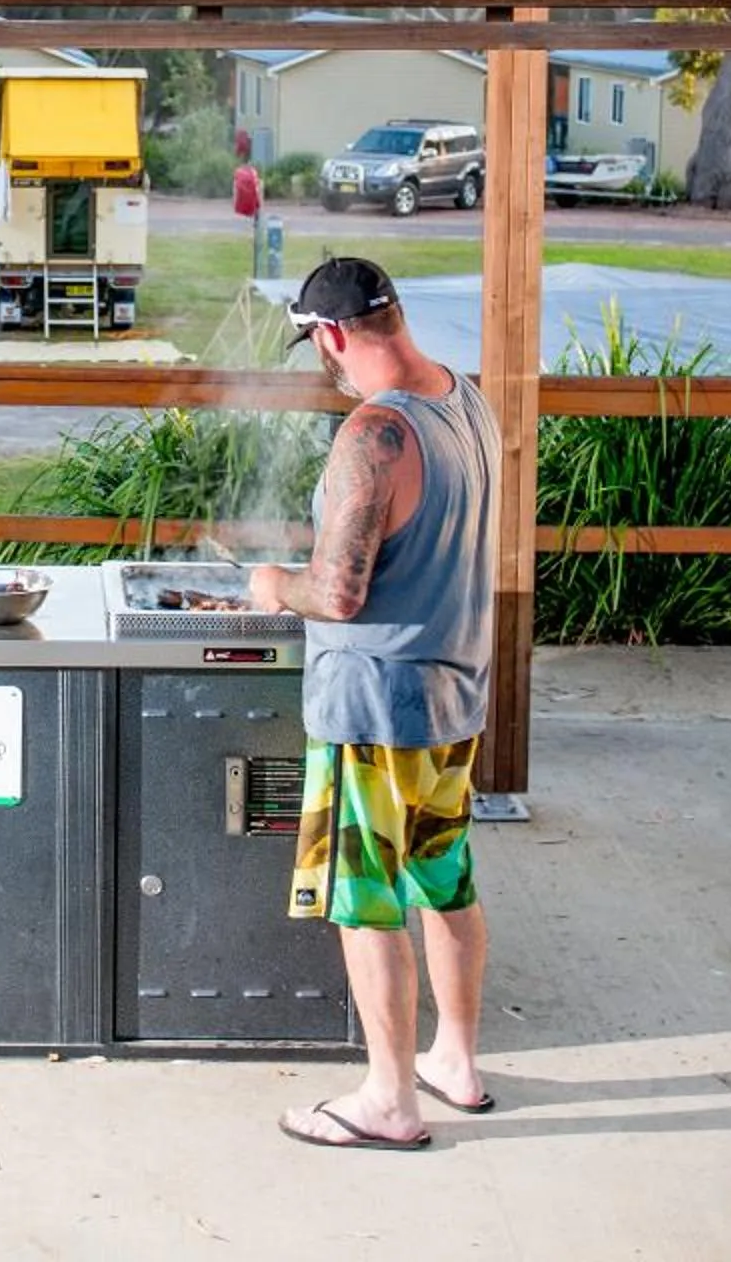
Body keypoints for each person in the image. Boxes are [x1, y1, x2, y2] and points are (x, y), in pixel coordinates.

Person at [247, 255, 501, 1152]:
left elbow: (341, 592)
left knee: (366, 899)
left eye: (319, 345)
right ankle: (455, 1062)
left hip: (374, 703)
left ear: (334, 334)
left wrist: (277, 584)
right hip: (454, 695)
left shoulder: (375, 433)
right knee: (446, 881)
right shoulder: (465, 403)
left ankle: (390, 1100)